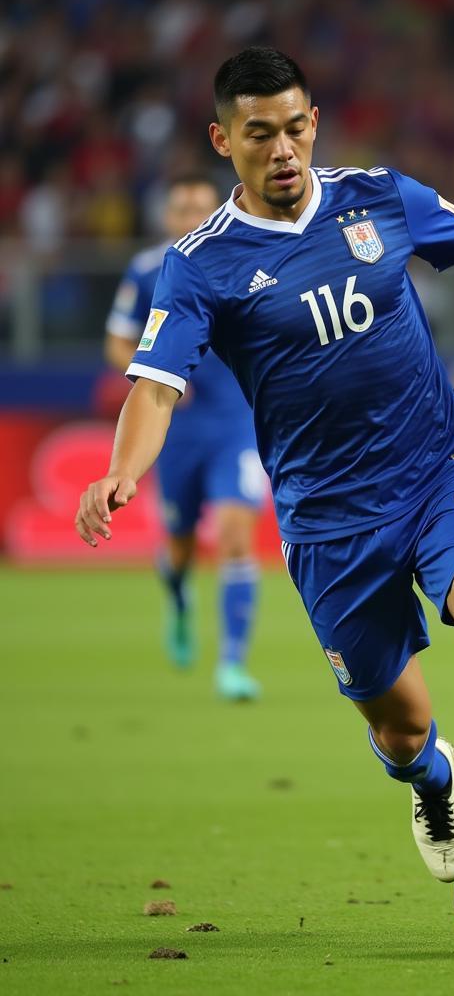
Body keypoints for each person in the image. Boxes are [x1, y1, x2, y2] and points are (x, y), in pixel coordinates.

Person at [75, 46, 454, 907]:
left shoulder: (380, 196)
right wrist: (120, 472)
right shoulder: (200, 263)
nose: (282, 149)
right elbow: (155, 386)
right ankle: (433, 782)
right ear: (222, 140)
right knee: (401, 730)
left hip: (438, 469)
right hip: (328, 521)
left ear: (313, 124)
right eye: (258, 135)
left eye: (293, 129)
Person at [104, 173, 265, 700]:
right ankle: (177, 595)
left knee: (238, 534)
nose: (193, 217)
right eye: (183, 209)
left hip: (236, 422)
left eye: (202, 206)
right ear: (168, 218)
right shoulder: (150, 269)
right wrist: (157, 375)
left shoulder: (245, 258)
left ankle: (233, 664)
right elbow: (118, 338)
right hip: (173, 429)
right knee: (180, 548)